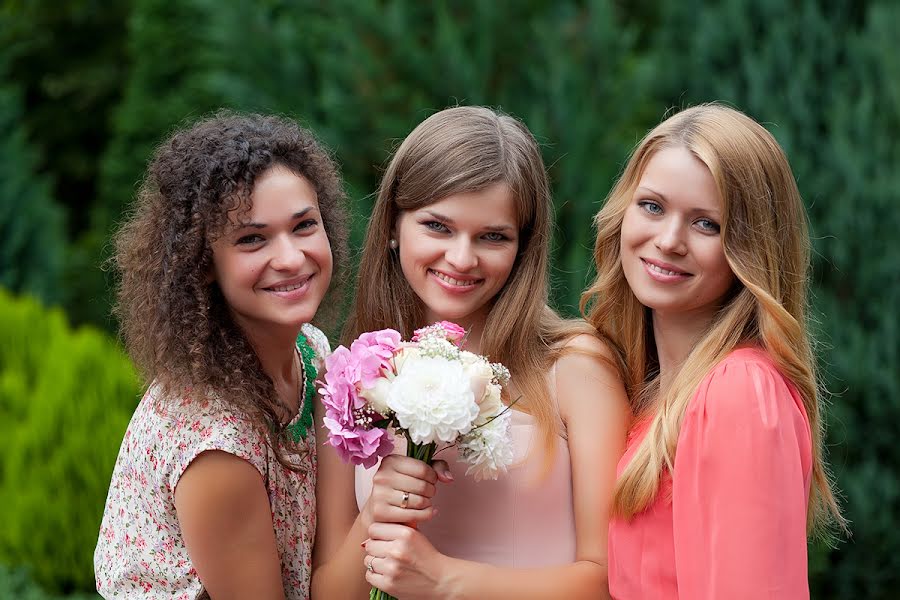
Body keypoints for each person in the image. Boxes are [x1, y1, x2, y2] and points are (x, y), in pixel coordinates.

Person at [94, 112, 435, 599]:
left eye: (303, 226)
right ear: (204, 264)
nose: (292, 257)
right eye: (253, 239)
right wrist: (380, 511)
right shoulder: (215, 442)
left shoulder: (310, 353)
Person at [345, 106, 630, 599]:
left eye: (492, 236)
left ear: (523, 247)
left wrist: (446, 581)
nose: (461, 258)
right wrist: (375, 513)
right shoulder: (360, 374)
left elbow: (613, 580)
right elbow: (328, 591)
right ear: (393, 225)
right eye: (437, 226)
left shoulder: (576, 367)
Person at [582, 103, 845, 599]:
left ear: (751, 247)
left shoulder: (742, 391)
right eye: (653, 206)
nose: (668, 240)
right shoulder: (651, 392)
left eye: (707, 224)